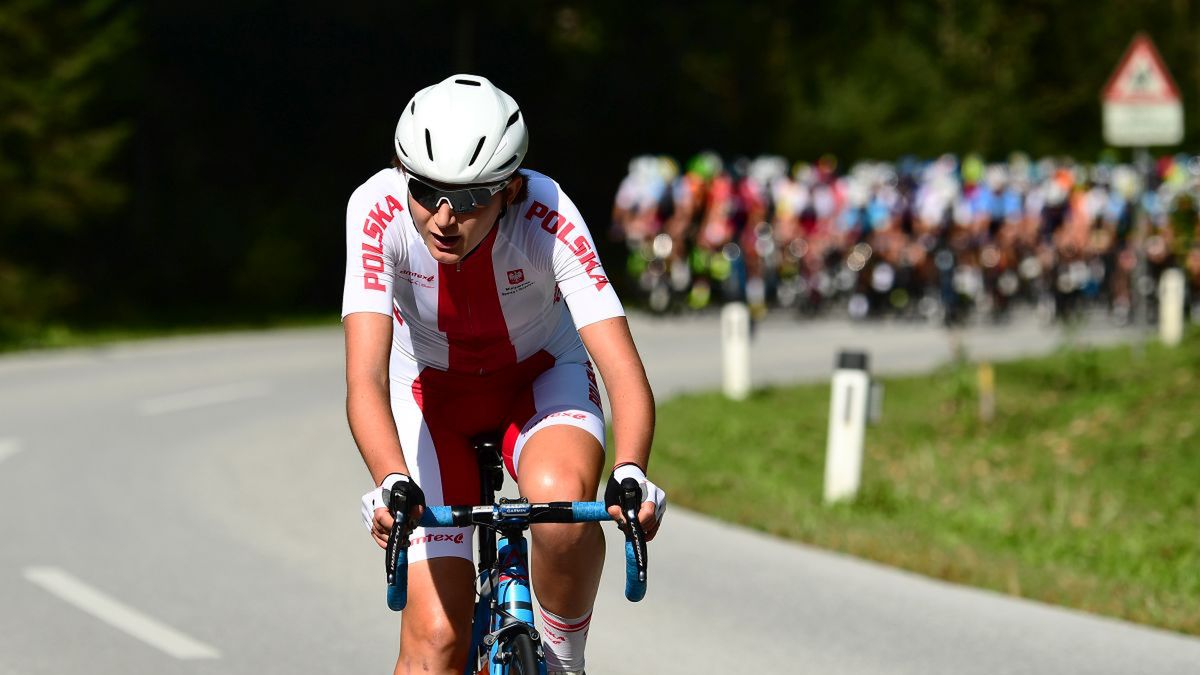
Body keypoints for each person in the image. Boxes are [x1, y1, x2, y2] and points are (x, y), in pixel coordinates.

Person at [341, 73, 667, 675]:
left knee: (563, 506)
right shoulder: (376, 210)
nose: (443, 216)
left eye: (468, 198)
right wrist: (390, 479)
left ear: (511, 190)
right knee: (435, 642)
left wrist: (631, 471)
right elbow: (364, 380)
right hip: (430, 395)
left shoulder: (549, 214)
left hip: (538, 380)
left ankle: (564, 659)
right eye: (427, 190)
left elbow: (622, 370)